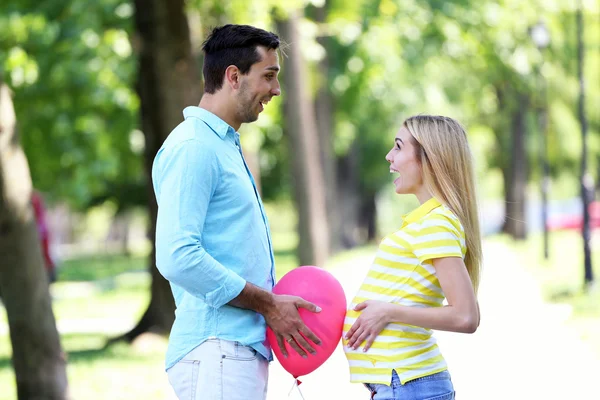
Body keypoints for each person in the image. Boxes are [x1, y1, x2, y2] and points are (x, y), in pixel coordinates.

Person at [152, 25, 321, 400]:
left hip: (232, 351)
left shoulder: (221, 145)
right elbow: (177, 256)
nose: (276, 89)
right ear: (233, 76)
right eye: (269, 75)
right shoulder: (194, 146)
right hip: (217, 349)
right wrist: (268, 303)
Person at [343, 115, 482, 400]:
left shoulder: (437, 223)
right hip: (400, 386)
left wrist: (388, 311)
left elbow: (466, 316)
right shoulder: (425, 223)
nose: (388, 156)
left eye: (398, 147)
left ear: (429, 158)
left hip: (409, 385)